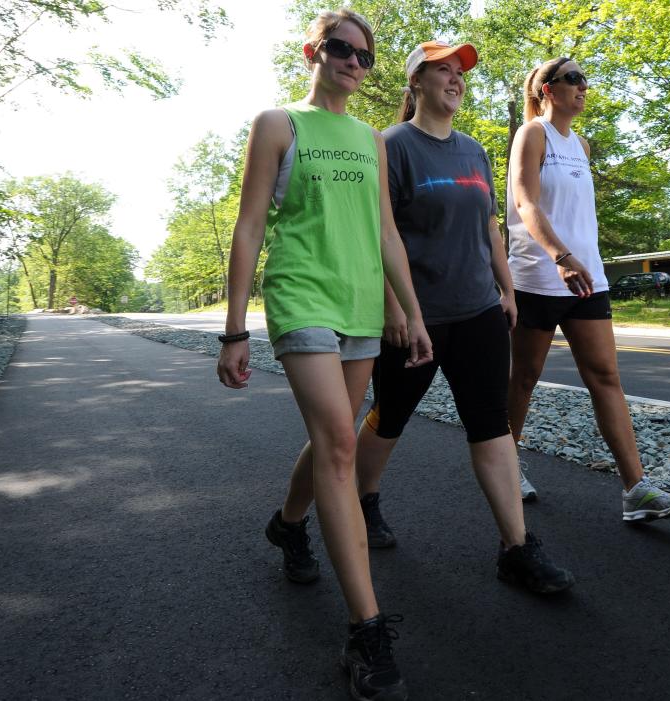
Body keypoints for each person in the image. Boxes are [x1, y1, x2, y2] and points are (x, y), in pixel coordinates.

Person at [216, 10, 433, 700]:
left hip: (362, 302)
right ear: (313, 51)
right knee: (341, 439)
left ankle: (287, 525)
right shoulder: (279, 123)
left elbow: (387, 234)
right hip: (301, 293)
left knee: (334, 432)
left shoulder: (372, 139)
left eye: (364, 55)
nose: (352, 62)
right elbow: (250, 224)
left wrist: (410, 310)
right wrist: (233, 328)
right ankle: (366, 631)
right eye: (340, 48)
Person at [352, 40, 575, 595]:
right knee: (392, 414)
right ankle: (361, 499)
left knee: (491, 423)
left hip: (477, 310)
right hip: (419, 317)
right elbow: (378, 235)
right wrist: (394, 307)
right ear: (416, 84)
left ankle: (517, 548)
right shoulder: (391, 146)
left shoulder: (474, 151)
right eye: (443, 71)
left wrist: (507, 289)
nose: (455, 79)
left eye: (460, 73)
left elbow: (490, 228)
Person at [506, 57, 670, 521]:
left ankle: (636, 488)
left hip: (587, 277)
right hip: (538, 276)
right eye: (572, 79)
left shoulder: (581, 145)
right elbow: (524, 202)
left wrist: (579, 262)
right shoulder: (533, 134)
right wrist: (560, 257)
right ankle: (504, 463)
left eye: (584, 79)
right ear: (547, 90)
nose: (582, 86)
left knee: (606, 378)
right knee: (524, 378)